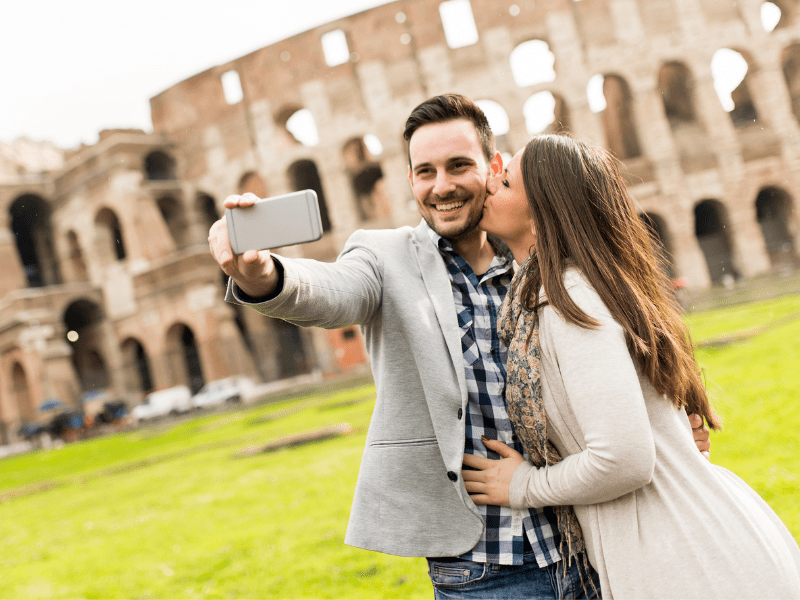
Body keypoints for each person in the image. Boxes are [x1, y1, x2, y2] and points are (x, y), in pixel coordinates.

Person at [208, 95, 707, 598]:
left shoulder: (540, 262)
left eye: (458, 166)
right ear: (409, 181)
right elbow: (329, 293)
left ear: (494, 169)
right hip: (486, 571)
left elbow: (610, 362)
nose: (441, 186)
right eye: (424, 171)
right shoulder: (383, 257)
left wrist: (667, 425)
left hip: (595, 546)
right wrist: (263, 275)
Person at [465, 134, 800, 598]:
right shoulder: (558, 293)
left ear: (543, 217)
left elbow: (624, 460)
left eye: (504, 182)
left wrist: (525, 485)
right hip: (682, 546)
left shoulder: (571, 300)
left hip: (689, 562)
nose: (487, 185)